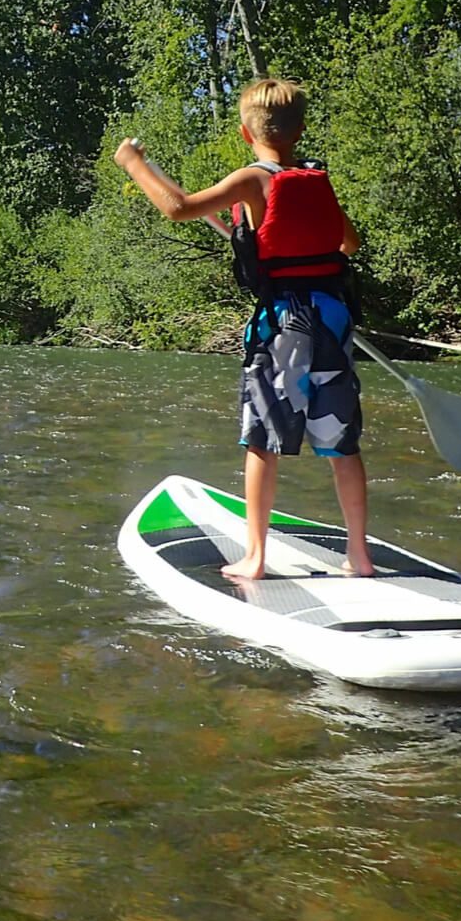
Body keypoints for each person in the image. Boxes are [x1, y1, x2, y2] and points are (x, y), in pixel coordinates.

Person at [113, 77, 376, 580]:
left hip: (282, 323)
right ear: (300, 130)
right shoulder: (316, 178)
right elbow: (350, 244)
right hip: (333, 317)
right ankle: (359, 557)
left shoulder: (255, 179)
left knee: (263, 438)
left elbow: (178, 207)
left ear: (244, 131)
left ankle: (254, 558)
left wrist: (135, 163)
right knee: (342, 443)